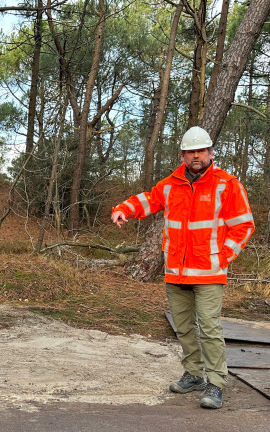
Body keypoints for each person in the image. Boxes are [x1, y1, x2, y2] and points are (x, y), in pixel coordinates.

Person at [111, 126, 254, 410]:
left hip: (209, 272)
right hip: (176, 271)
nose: (196, 156)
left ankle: (215, 382)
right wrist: (124, 209)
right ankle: (193, 374)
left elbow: (244, 225)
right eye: (191, 152)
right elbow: (148, 199)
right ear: (183, 155)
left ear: (210, 153)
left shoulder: (227, 184)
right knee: (185, 329)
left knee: (210, 329)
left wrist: (224, 256)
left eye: (201, 151)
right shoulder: (170, 184)